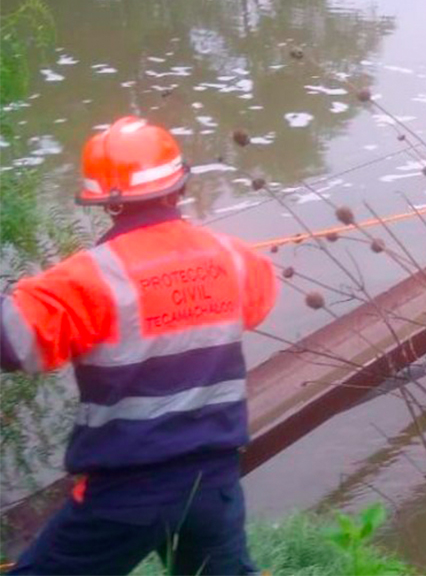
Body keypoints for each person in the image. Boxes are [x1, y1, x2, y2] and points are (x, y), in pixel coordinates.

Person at [2, 116, 277, 575]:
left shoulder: (86, 279)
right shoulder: (235, 258)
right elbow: (255, 305)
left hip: (126, 495)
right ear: (179, 187)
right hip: (215, 482)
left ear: (106, 203)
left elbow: (14, 342)